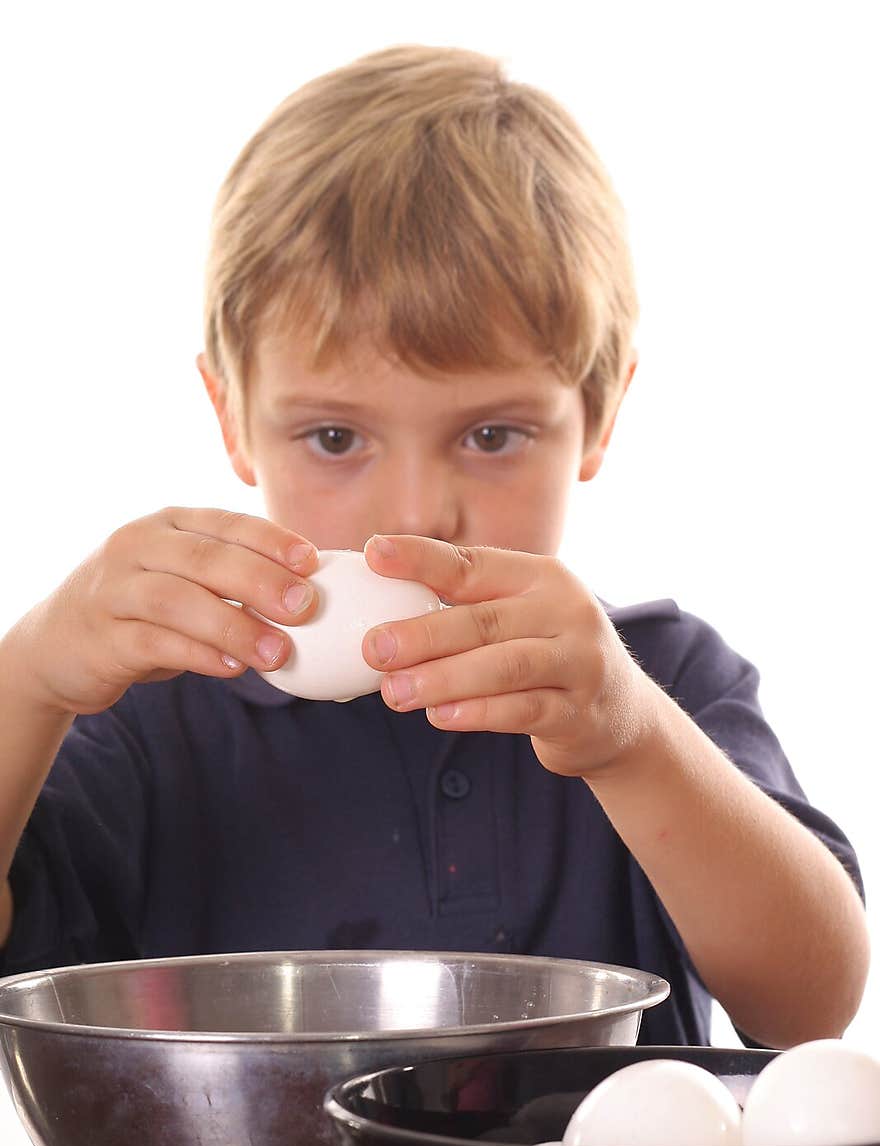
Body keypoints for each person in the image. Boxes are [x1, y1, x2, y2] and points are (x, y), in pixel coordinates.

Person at [0, 45, 868, 1049]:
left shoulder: (656, 683)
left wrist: (631, 740)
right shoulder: (154, 720)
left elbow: (811, 1006)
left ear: (599, 414)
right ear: (230, 417)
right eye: (334, 439)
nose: (409, 518)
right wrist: (27, 682)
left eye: (491, 436)